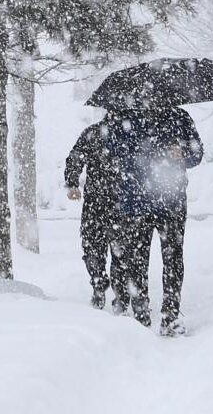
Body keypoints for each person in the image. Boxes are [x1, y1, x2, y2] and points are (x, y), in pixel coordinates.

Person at [105, 106, 202, 337]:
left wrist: (182, 152)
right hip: (137, 202)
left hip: (171, 202)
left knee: (173, 259)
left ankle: (170, 316)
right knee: (137, 260)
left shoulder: (179, 117)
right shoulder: (125, 117)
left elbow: (196, 154)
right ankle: (141, 316)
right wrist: (138, 152)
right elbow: (111, 151)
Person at [64, 114, 129, 313]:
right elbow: (76, 157)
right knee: (119, 251)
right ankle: (115, 292)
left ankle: (101, 285)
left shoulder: (93, 132)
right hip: (119, 202)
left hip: (99, 201)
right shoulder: (127, 133)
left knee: (95, 248)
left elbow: (75, 157)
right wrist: (72, 182)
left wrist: (73, 182)